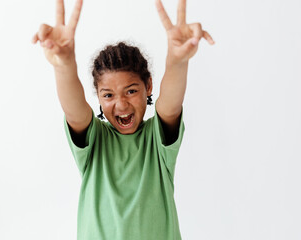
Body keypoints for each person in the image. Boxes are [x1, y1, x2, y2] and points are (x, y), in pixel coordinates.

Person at [31, 0, 214, 239]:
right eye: (108, 95)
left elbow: (170, 105)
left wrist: (177, 61)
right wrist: (64, 66)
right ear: (98, 96)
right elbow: (74, 109)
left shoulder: (156, 140)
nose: (121, 104)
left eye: (131, 91)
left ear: (148, 86)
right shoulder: (96, 140)